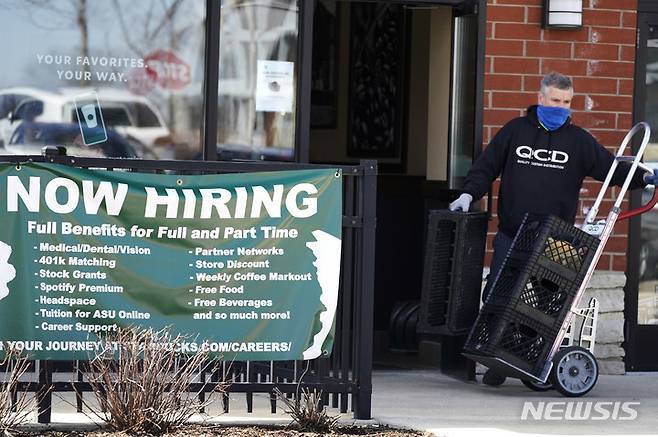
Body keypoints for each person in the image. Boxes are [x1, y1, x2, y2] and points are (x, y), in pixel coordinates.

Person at [449, 71, 658, 386]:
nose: (561, 107)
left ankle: (531, 362)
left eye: (566, 102)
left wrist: (646, 177)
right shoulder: (515, 132)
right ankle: (499, 362)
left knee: (546, 308)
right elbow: (485, 167)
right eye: (555, 101)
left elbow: (610, 169)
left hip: (556, 238)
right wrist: (467, 195)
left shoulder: (578, 141)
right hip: (514, 232)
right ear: (540, 98)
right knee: (499, 296)